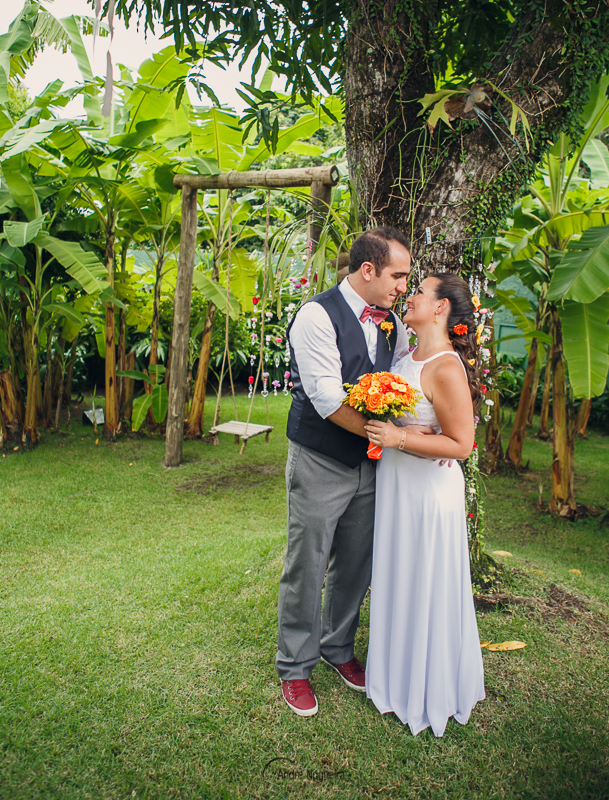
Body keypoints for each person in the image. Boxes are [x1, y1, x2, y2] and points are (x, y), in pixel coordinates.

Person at [277, 227, 422, 717]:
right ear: (368, 270)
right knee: (308, 562)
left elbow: (403, 378)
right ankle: (295, 666)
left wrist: (425, 434)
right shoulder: (316, 315)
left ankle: (339, 650)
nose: (403, 285)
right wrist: (385, 435)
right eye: (398, 276)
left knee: (356, 563)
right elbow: (327, 399)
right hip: (320, 457)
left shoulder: (392, 324)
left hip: (372, 464)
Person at [364, 272, 485, 736]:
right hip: (397, 483)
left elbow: (461, 445)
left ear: (440, 308)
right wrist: (406, 432)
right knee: (398, 574)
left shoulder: (447, 367)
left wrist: (399, 436)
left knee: (425, 579)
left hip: (429, 495)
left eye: (419, 291)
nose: (408, 296)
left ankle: (426, 685)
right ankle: (394, 675)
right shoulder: (405, 353)